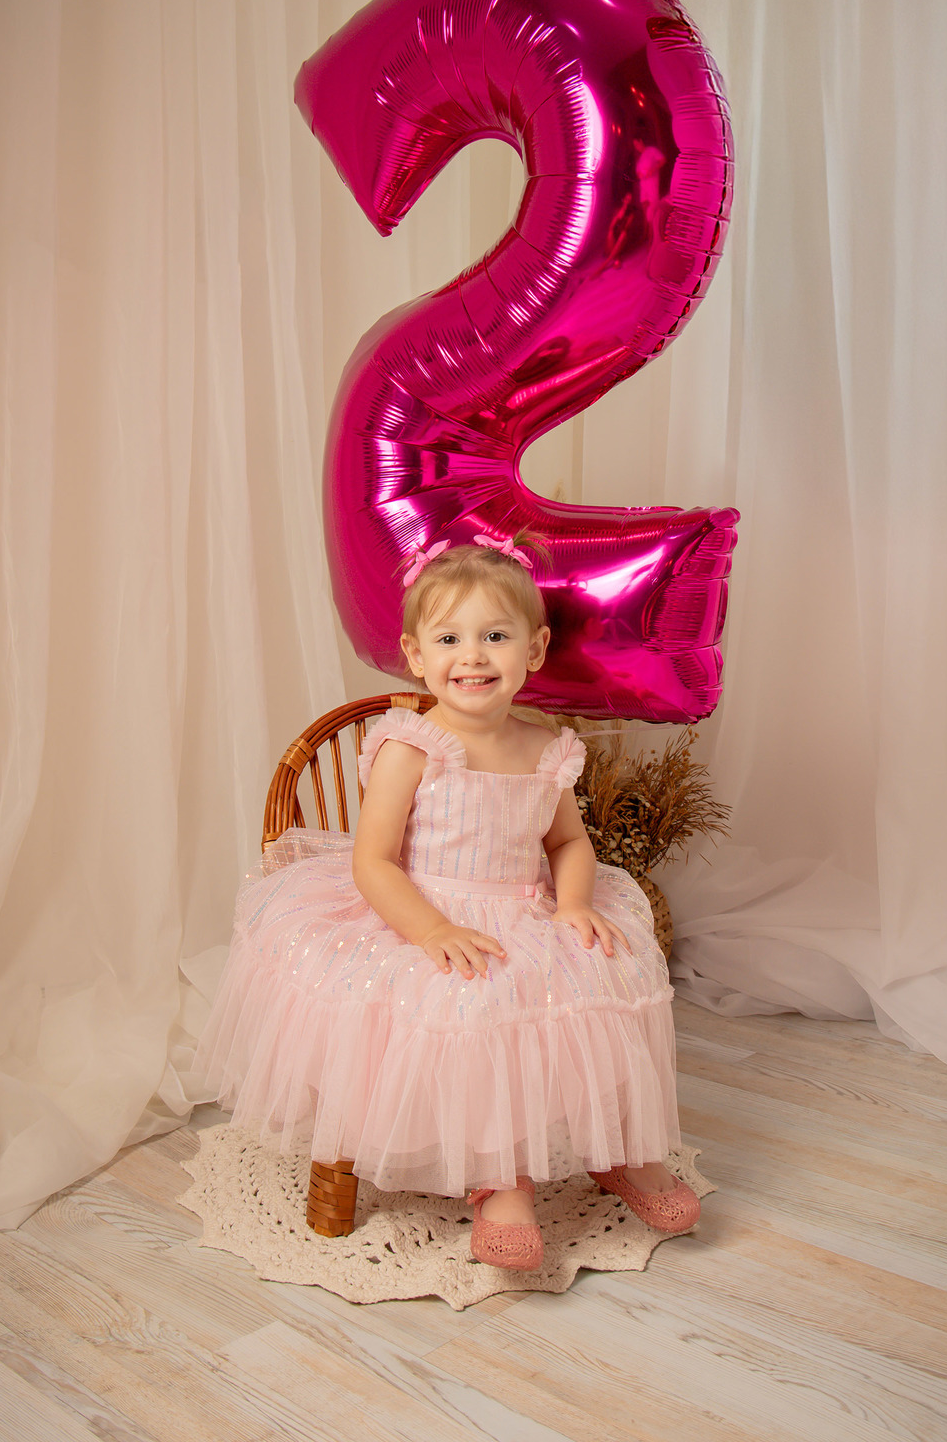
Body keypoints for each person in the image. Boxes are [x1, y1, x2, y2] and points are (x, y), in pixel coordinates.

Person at [196, 536, 700, 1270]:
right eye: (449, 639)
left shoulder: (546, 750)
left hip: (523, 910)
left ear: (534, 649)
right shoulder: (413, 747)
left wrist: (574, 903)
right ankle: (501, 1180)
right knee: (477, 1001)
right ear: (415, 654)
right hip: (419, 909)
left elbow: (567, 842)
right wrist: (431, 929)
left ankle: (618, 1146)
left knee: (603, 970)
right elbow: (374, 861)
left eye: (495, 636)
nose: (473, 656)